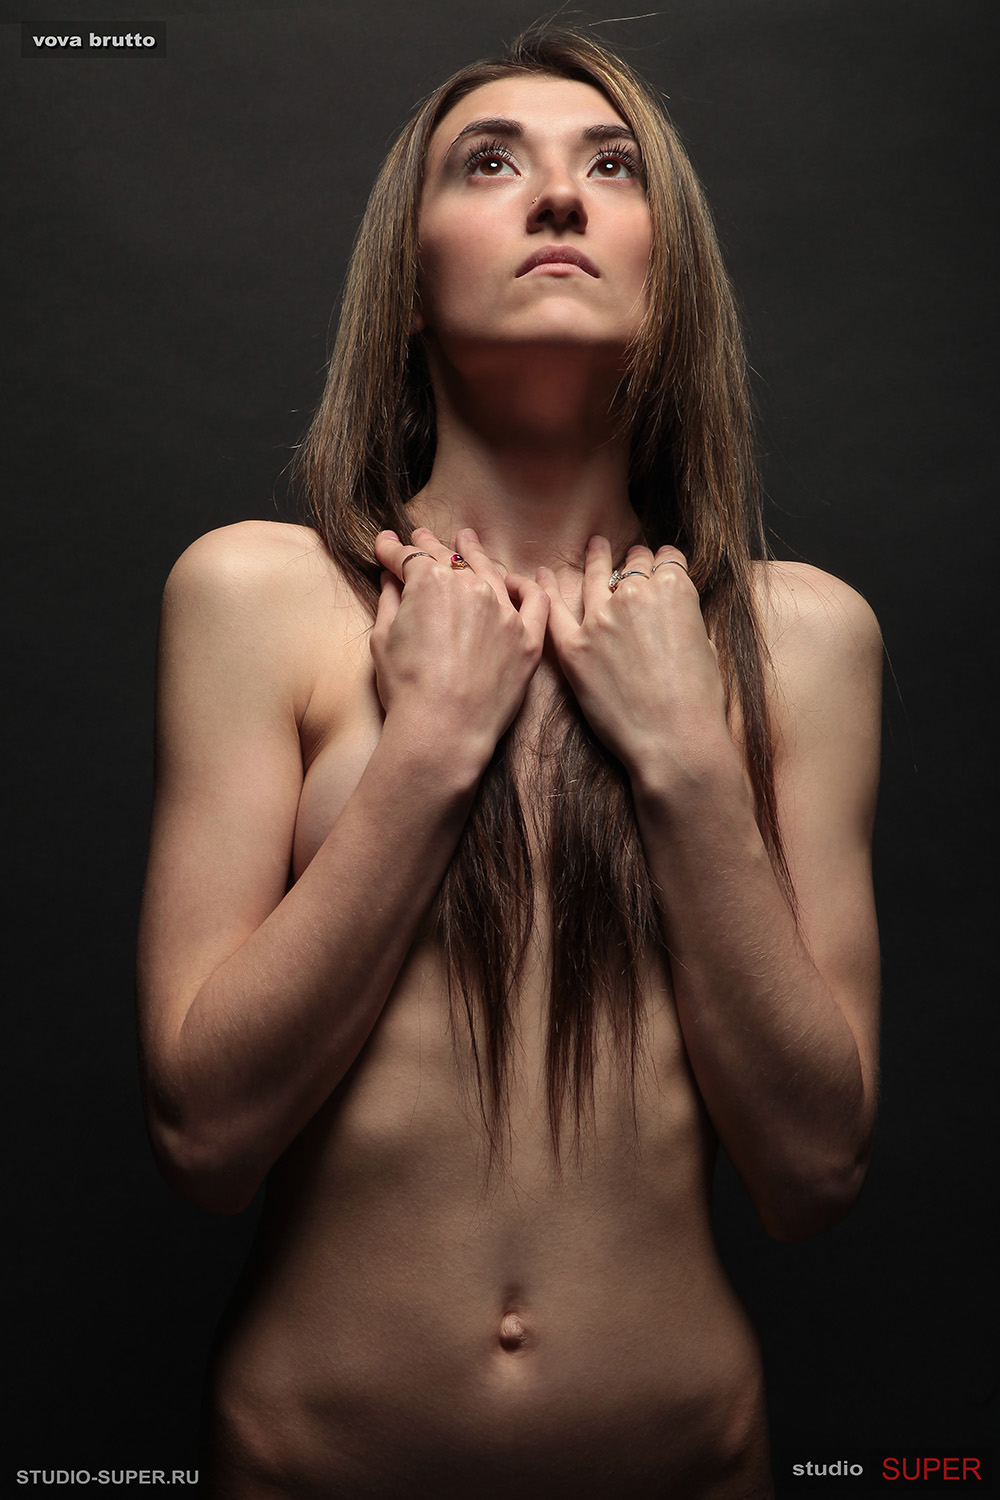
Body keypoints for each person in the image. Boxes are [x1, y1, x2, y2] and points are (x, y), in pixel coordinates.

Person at [137, 28, 882, 1500]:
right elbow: (204, 1137)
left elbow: (814, 1173)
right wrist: (429, 752)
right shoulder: (255, 597)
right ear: (404, 288)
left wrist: (681, 756)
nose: (559, 197)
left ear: (671, 274)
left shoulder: (802, 638)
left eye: (613, 169)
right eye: (492, 163)